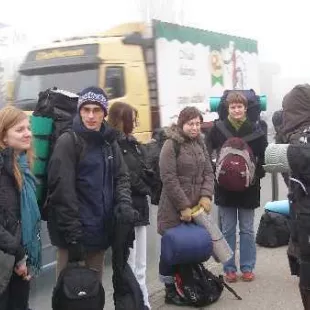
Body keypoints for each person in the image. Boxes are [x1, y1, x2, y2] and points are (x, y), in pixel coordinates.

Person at [46, 87, 134, 280]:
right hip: (73, 238)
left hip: (99, 233)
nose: (91, 116)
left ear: (104, 113)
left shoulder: (108, 141)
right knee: (69, 296)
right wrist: (73, 236)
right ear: (80, 111)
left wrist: (124, 204)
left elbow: (121, 177)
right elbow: (62, 192)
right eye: (86, 110)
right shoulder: (68, 142)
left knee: (93, 295)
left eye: (97, 110)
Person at [208, 91, 267, 283]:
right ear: (228, 109)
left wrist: (254, 175)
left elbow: (263, 156)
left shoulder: (257, 129)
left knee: (247, 229)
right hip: (224, 187)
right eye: (232, 107)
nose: (236, 110)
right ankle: (229, 268)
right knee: (228, 230)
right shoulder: (217, 129)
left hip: (248, 187)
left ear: (245, 108)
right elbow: (208, 153)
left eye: (239, 107)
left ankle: (247, 267)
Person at [157, 106, 214, 306]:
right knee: (171, 250)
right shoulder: (171, 145)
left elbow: (209, 172)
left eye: (198, 123)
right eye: (191, 124)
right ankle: (170, 289)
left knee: (191, 247)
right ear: (182, 124)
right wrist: (183, 206)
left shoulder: (200, 143)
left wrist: (206, 196)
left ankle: (188, 284)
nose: (195, 127)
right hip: (173, 208)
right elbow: (169, 179)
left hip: (197, 208)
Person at [108, 102, 153, 309]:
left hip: (140, 209)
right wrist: (145, 186)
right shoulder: (113, 146)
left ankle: (143, 302)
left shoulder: (133, 144)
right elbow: (126, 177)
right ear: (122, 120)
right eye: (132, 119)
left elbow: (144, 169)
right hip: (127, 211)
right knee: (130, 264)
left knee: (141, 264)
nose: (135, 123)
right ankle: (135, 303)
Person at [0, 106, 41, 310]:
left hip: (18, 264)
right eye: (20, 129)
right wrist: (19, 255)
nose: (28, 133)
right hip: (5, 266)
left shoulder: (22, 166)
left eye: (28, 127)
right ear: (4, 136)